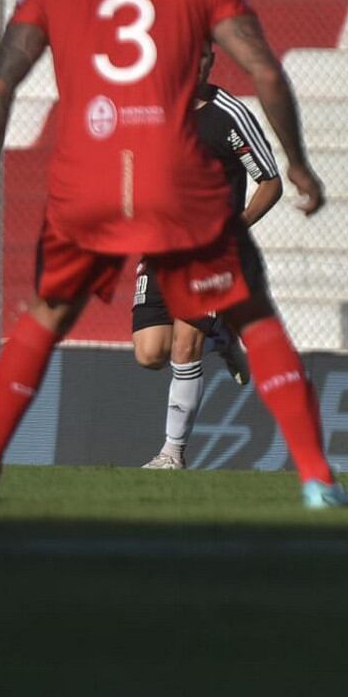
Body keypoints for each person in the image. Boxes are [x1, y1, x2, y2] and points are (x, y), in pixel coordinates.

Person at [0, 0, 348, 507]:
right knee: (252, 316)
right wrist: (299, 165)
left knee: (45, 316)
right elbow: (262, 68)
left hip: (86, 177)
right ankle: (317, 481)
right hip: (177, 179)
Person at [136, 42, 282, 470]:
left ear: (211, 61)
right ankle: (222, 335)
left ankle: (172, 453)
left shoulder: (229, 115)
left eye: (202, 56)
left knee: (185, 345)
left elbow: (270, 181)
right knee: (149, 355)